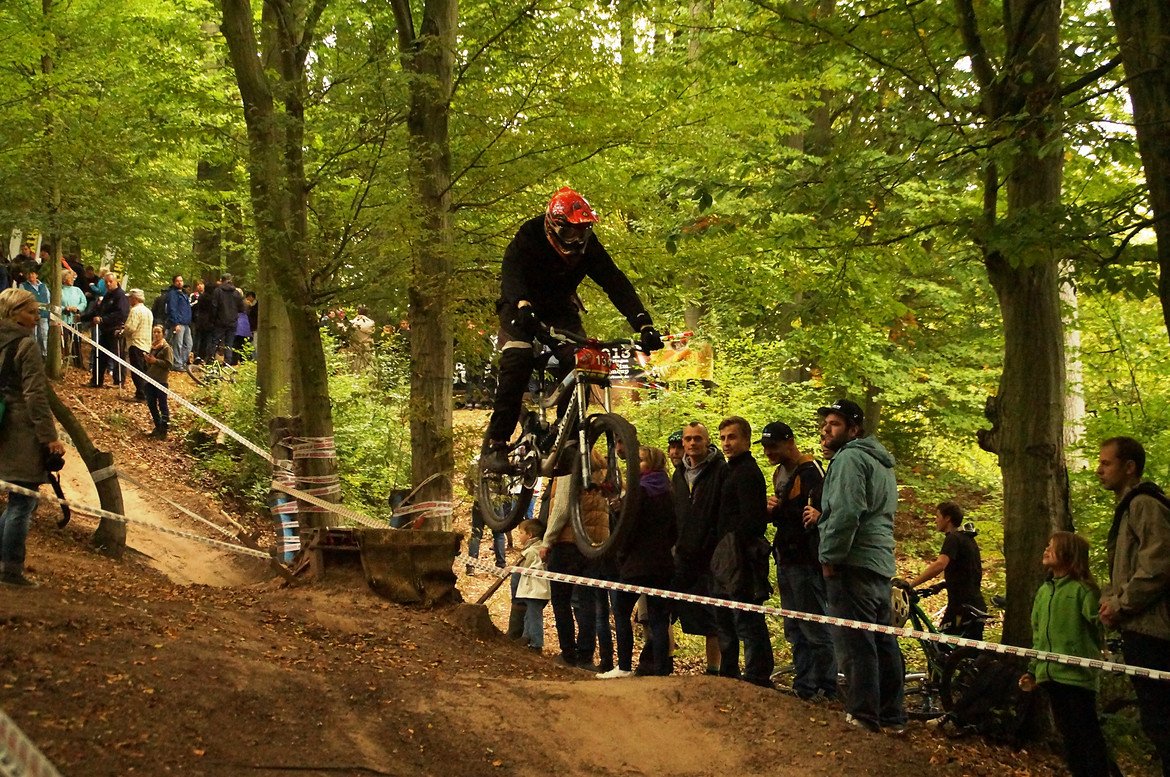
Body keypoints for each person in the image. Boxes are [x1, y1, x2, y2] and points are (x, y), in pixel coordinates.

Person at [480, 187, 663, 472]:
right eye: (569, 233)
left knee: (582, 360)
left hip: (559, 310)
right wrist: (522, 304)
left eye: (583, 231)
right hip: (520, 305)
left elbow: (615, 282)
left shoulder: (589, 247)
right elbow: (511, 271)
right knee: (518, 356)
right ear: (553, 227)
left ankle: (566, 439)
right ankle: (497, 443)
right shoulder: (530, 234)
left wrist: (643, 323)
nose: (576, 239)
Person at [807, 398, 905, 733]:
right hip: (879, 561)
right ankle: (891, 716)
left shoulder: (850, 458)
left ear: (853, 430)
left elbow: (847, 513)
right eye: (825, 423)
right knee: (882, 641)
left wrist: (830, 557)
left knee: (856, 642)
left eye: (834, 424)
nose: (826, 429)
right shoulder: (880, 462)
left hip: (854, 561)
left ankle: (863, 715)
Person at [1096, 436, 1170, 775]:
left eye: (1106, 463)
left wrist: (1121, 605)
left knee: (1163, 722)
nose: (1099, 470)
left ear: (1129, 467)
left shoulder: (1145, 505)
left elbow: (1157, 566)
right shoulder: (1128, 508)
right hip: (1139, 629)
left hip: (1156, 633)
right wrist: (1110, 602)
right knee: (1157, 722)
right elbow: (1125, 569)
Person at [1019, 532, 1111, 777]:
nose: (1046, 550)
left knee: (1087, 735)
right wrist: (1032, 670)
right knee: (1069, 737)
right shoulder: (1044, 591)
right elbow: (1038, 636)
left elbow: (1101, 623)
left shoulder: (1083, 590)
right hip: (1051, 676)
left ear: (1069, 554)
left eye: (1052, 546)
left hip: (1077, 678)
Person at [759, 421, 836, 701]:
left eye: (774, 446)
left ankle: (826, 686)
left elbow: (815, 515)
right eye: (765, 447)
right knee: (794, 626)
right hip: (786, 557)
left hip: (806, 560)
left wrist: (780, 511)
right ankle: (804, 684)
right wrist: (773, 510)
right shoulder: (780, 473)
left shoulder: (811, 471)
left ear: (790, 443)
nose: (769, 452)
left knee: (813, 626)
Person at [0, 289, 67, 588]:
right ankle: (11, 570)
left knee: (16, 501)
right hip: (20, 430)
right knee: (23, 502)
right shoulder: (25, 345)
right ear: (14, 313)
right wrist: (49, 437)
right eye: (30, 312)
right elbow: (35, 395)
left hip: (2, 425)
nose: (36, 317)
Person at [710, 416, 774, 687]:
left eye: (732, 437)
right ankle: (729, 672)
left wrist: (735, 543)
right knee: (724, 616)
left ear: (746, 440)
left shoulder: (748, 472)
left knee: (747, 617)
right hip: (726, 555)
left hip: (744, 557)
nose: (727, 443)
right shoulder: (728, 470)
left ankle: (758, 675)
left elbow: (753, 520)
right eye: (723, 438)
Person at [604, 446, 677, 678]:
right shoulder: (670, 490)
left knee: (621, 610)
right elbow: (674, 530)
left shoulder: (640, 491)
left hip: (637, 563)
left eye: (642, 460)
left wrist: (622, 553)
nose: (637, 464)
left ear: (652, 464)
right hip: (662, 563)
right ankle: (661, 670)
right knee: (659, 619)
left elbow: (629, 527)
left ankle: (624, 666)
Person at [540, 449, 610, 669]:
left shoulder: (569, 462)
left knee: (561, 600)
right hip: (594, 545)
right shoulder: (602, 467)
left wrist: (547, 541)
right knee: (588, 601)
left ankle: (568, 653)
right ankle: (586, 655)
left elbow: (562, 508)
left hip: (567, 542)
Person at [670, 421, 724, 675]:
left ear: (707, 441)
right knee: (667, 608)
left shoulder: (720, 470)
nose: (692, 443)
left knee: (713, 616)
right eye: (688, 439)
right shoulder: (678, 474)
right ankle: (662, 662)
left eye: (697, 438)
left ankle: (715, 669)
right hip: (681, 553)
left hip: (711, 554)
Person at [906, 501, 986, 639]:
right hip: (975, 605)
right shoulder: (967, 539)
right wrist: (941, 585)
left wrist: (911, 584)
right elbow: (966, 573)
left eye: (937, 516)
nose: (935, 520)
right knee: (967, 649)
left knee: (942, 646)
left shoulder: (953, 538)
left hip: (962, 608)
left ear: (947, 518)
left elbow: (940, 564)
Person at [513, 518, 551, 653]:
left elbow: (523, 567)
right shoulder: (537, 547)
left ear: (529, 535)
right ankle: (526, 636)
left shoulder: (531, 551)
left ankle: (536, 643)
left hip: (535, 590)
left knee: (534, 617)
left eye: (521, 533)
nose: (519, 536)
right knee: (529, 615)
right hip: (535, 590)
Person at [90, 272, 129, 388]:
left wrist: (103, 319)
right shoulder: (107, 295)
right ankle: (96, 380)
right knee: (100, 355)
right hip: (105, 331)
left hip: (116, 331)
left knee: (117, 356)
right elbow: (99, 311)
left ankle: (119, 381)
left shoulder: (121, 296)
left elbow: (121, 314)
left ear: (116, 281)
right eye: (106, 282)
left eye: (110, 281)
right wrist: (83, 317)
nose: (108, 284)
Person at [123, 289, 153, 401]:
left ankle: (141, 394)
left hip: (136, 343)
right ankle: (146, 393)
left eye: (130, 297)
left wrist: (122, 332)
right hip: (146, 344)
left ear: (134, 298)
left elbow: (130, 328)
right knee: (144, 370)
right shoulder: (148, 311)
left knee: (136, 371)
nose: (129, 300)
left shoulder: (135, 310)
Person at [143, 325, 173, 439]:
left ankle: (164, 429)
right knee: (151, 404)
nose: (156, 334)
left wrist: (156, 361)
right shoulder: (152, 347)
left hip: (161, 381)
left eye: (158, 332)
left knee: (162, 405)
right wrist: (148, 360)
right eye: (154, 332)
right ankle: (158, 426)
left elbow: (169, 364)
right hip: (150, 379)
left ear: (163, 334)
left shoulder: (166, 348)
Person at [161, 274, 193, 370]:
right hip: (178, 323)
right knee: (178, 344)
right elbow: (172, 309)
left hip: (186, 323)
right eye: (177, 281)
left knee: (189, 344)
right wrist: (175, 323)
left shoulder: (183, 293)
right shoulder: (173, 294)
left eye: (181, 281)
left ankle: (181, 362)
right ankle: (176, 364)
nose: (180, 282)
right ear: (174, 282)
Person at [210, 273, 242, 363]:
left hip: (220, 321)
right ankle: (228, 361)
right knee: (229, 343)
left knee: (215, 341)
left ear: (222, 280)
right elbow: (241, 307)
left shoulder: (218, 291)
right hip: (232, 321)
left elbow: (214, 306)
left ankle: (211, 359)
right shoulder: (236, 292)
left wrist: (214, 319)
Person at [18, 266, 50, 356]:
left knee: (44, 334)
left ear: (36, 275)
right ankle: (34, 353)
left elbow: (48, 299)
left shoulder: (44, 286)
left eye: (32, 273)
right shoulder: (23, 286)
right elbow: (22, 299)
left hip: (43, 314)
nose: (30, 276)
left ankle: (45, 354)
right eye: (28, 274)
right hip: (31, 314)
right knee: (33, 334)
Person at [59, 269, 87, 368]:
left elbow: (83, 302)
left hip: (75, 319)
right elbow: (56, 303)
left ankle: (79, 363)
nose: (72, 280)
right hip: (63, 319)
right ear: (64, 279)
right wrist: (65, 308)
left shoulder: (77, 290)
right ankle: (64, 362)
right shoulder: (59, 290)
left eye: (72, 278)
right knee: (63, 341)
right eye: (70, 278)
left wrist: (77, 308)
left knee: (77, 341)